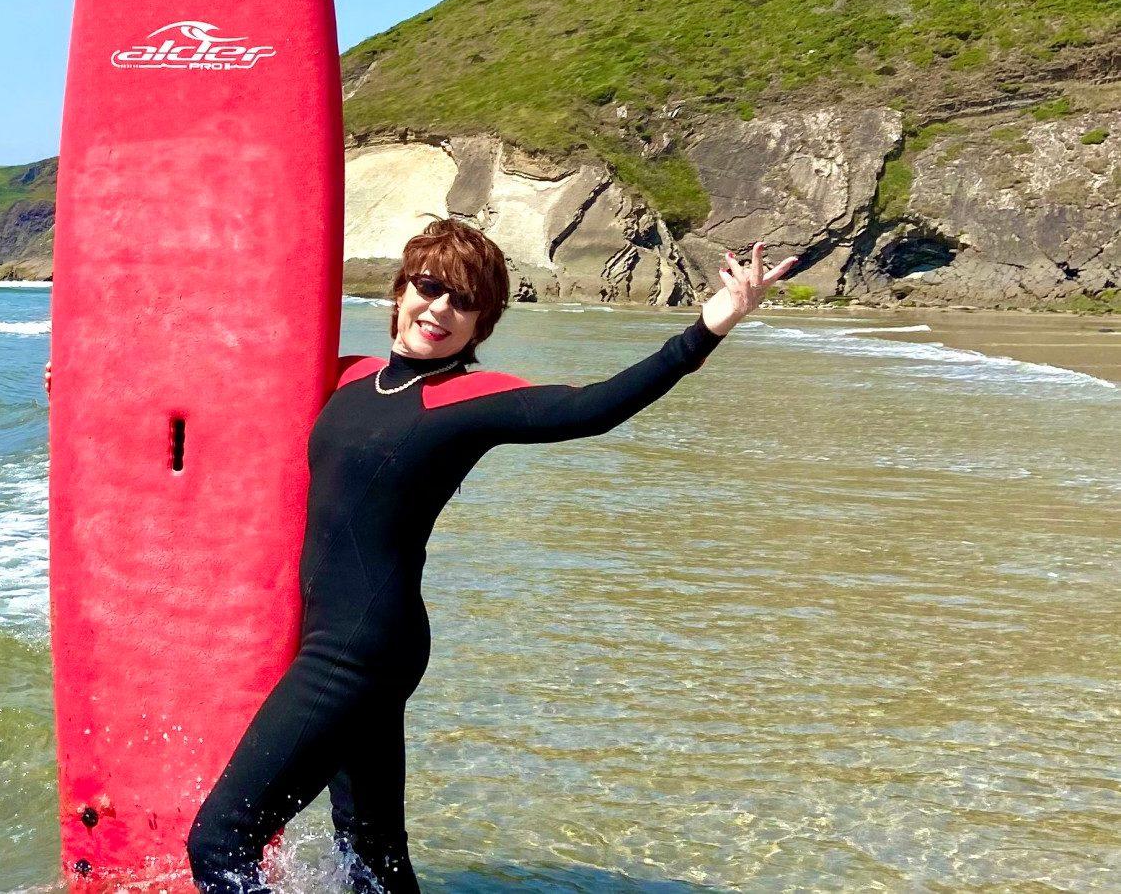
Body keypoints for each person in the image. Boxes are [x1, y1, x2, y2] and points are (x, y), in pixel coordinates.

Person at [45, 217, 796, 893]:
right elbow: (209, 408)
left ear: (481, 324)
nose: (438, 310)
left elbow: (594, 406)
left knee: (219, 844)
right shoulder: (338, 377)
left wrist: (711, 325)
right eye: (428, 287)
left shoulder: (472, 400)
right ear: (400, 289)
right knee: (371, 859)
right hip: (348, 643)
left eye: (461, 302)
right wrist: (88, 394)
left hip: (358, 654)